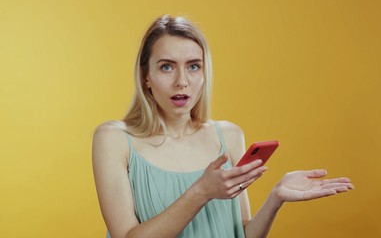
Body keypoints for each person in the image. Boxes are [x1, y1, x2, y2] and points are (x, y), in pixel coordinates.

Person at [92, 15, 354, 238]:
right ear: (145, 76)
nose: (182, 81)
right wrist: (201, 192)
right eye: (166, 67)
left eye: (194, 66)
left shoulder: (228, 135)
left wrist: (276, 198)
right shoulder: (114, 139)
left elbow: (241, 233)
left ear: (205, 74)